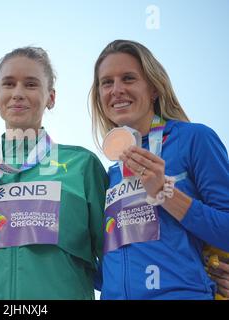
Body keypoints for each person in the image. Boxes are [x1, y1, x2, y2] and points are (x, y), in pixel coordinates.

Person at [0, 47, 108, 299]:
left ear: (51, 97)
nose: (17, 93)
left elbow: (112, 264)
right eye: (8, 84)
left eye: (30, 84)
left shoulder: (82, 165)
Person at [90, 39, 229, 299]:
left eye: (128, 78)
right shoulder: (111, 173)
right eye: (107, 82)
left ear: (153, 88)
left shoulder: (194, 139)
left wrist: (167, 194)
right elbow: (110, 266)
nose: (116, 90)